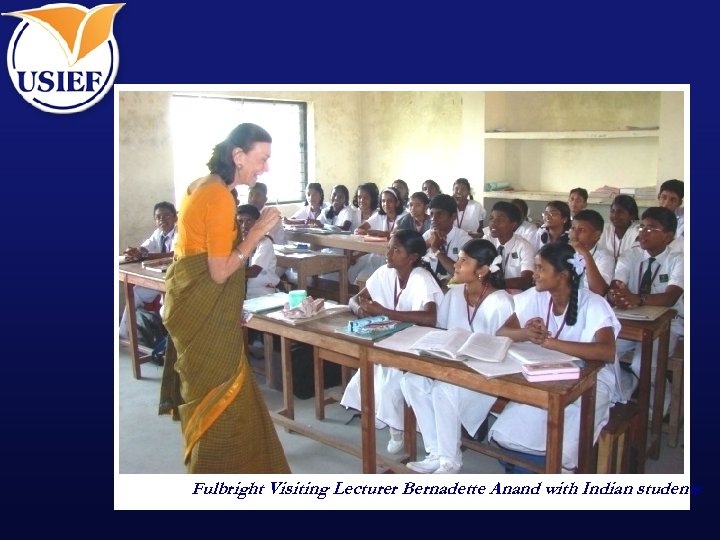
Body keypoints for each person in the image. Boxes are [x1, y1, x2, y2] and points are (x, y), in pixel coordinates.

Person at [159, 122, 289, 474]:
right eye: (261, 159)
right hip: (205, 307)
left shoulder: (201, 186)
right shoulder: (217, 195)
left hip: (199, 303)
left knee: (228, 391)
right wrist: (258, 232)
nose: (265, 168)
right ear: (238, 156)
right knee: (224, 396)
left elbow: (200, 254)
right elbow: (218, 271)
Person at [489, 243, 621, 472]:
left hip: (593, 378)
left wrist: (551, 343)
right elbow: (502, 332)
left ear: (563, 275)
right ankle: (527, 464)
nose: (535, 274)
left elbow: (606, 351)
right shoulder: (537, 296)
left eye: (540, 268)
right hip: (549, 371)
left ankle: (558, 471)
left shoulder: (593, 303)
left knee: (568, 437)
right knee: (512, 430)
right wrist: (526, 333)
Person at [401, 239, 514, 474]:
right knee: (411, 380)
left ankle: (450, 461)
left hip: (484, 377)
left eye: (464, 261)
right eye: (458, 259)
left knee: (445, 389)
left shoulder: (500, 301)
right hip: (450, 368)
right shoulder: (454, 295)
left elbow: (504, 348)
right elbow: (441, 332)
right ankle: (436, 452)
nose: (456, 265)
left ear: (482, 270)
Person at [340, 230, 444, 454]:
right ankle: (390, 422)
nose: (388, 253)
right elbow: (355, 299)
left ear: (412, 257)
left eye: (396, 250)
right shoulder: (386, 272)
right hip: (393, 339)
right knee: (368, 373)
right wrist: (361, 310)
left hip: (422, 343)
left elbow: (430, 318)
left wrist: (385, 312)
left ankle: (397, 428)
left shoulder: (421, 278)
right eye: (389, 247)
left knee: (389, 381)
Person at [609, 207, 684, 414]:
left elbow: (670, 297)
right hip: (630, 320)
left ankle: (657, 406)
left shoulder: (679, 260)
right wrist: (618, 293)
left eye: (652, 228)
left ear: (668, 236)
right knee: (605, 350)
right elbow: (617, 283)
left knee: (641, 364)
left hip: (668, 323)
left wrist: (638, 298)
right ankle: (624, 393)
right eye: (642, 226)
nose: (643, 232)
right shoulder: (630, 256)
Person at [119, 202, 178, 340]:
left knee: (167, 307)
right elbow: (146, 247)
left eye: (166, 216)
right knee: (136, 292)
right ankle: (123, 333)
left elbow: (174, 254)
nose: (162, 220)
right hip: (158, 278)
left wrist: (145, 255)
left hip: (175, 279)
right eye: (158, 217)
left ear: (175, 218)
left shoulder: (179, 232)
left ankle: (169, 345)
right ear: (155, 220)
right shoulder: (158, 233)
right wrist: (137, 251)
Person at [349, 187, 407, 285]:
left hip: (394, 256)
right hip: (378, 253)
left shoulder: (405, 216)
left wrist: (379, 233)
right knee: (354, 270)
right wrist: (374, 233)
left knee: (368, 272)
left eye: (390, 201)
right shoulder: (380, 215)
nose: (386, 204)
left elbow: (396, 236)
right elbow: (359, 229)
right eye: (383, 201)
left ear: (397, 203)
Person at [422, 194, 472, 286]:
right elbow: (411, 259)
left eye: (439, 214)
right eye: (432, 214)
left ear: (453, 217)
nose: (433, 219)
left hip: (456, 289)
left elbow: (462, 274)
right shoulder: (428, 235)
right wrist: (427, 244)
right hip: (430, 286)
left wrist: (436, 250)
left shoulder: (465, 240)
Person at [485, 201, 535, 292]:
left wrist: (498, 284)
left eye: (499, 220)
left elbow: (526, 280)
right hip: (489, 293)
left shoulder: (524, 247)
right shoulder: (487, 240)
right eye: (491, 218)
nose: (493, 223)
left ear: (513, 225)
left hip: (516, 297)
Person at [236, 204, 279, 299]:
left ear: (258, 223)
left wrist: (228, 273)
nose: (244, 225)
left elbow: (254, 271)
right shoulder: (238, 243)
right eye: (240, 221)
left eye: (249, 221)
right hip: (241, 296)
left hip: (262, 295)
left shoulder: (264, 242)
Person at [568, 209, 614, 296]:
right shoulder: (565, 251)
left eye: (581, 230)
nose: (575, 233)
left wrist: (585, 254)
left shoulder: (605, 257)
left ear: (596, 235)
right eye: (573, 228)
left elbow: (599, 291)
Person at [597, 194, 639, 264]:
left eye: (620, 212)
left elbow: (636, 257)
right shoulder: (604, 229)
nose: (615, 215)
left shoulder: (637, 231)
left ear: (632, 215)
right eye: (612, 211)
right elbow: (598, 254)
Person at [657, 179, 685, 252]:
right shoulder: (650, 216)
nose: (666, 204)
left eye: (673, 200)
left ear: (679, 203)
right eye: (664, 197)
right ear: (658, 197)